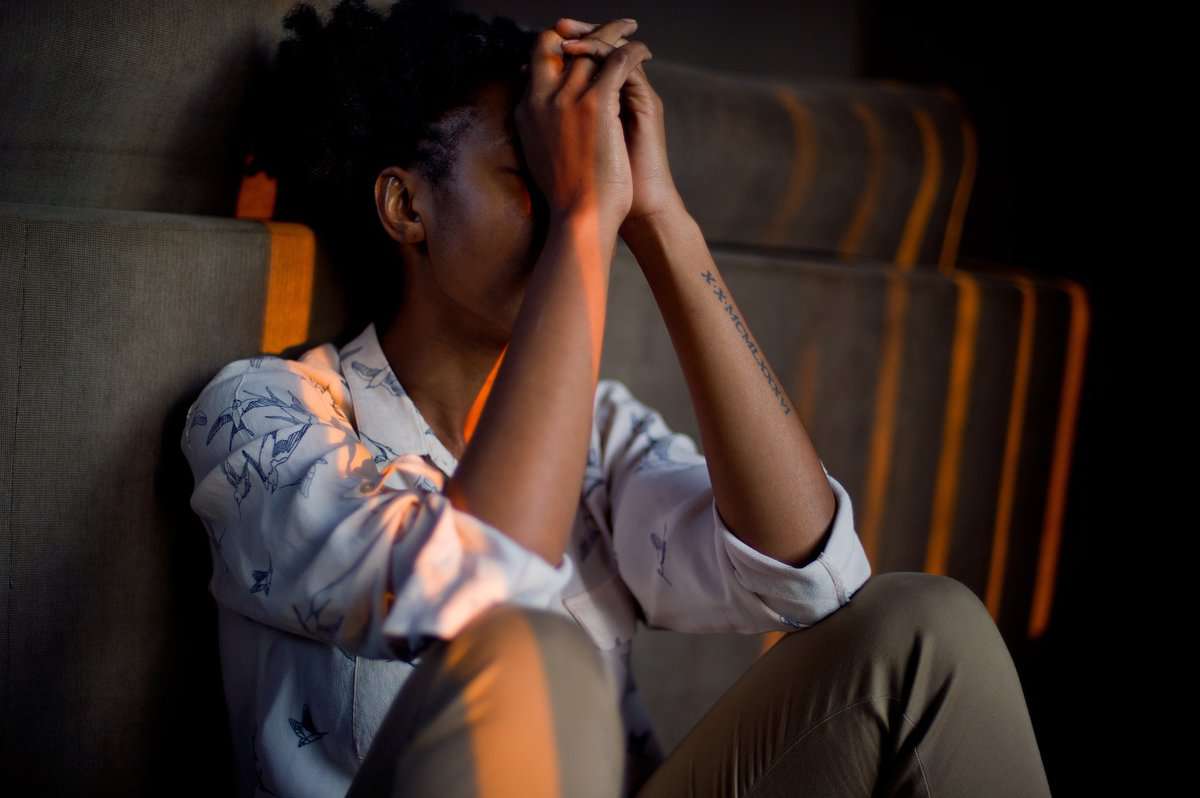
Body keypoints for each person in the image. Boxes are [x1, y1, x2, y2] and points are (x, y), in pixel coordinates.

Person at [181, 1, 1053, 795]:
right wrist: (589, 216)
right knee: (531, 652)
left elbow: (816, 579)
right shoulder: (263, 418)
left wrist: (660, 216)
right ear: (406, 205)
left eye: (584, 176)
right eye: (536, 173)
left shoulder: (601, 431)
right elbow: (491, 588)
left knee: (926, 628)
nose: (572, 202)